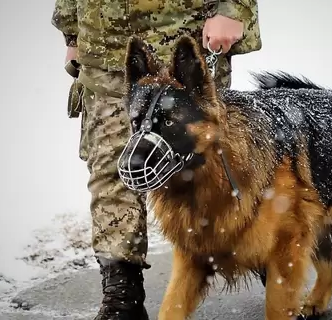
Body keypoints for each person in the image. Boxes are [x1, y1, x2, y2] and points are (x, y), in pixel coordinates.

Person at [50, 1, 262, 319]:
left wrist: (233, 8)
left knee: (204, 171)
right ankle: (122, 298)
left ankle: (265, 257)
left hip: (184, 45)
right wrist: (72, 32)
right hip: (106, 55)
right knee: (113, 173)